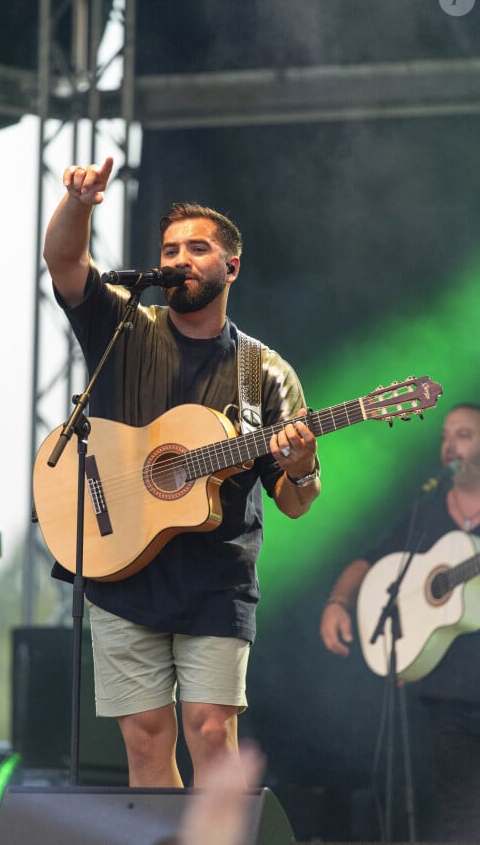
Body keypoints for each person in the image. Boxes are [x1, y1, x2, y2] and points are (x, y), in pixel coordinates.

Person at [43, 157, 320, 788]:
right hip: (119, 562)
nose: (181, 258)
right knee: (144, 742)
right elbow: (64, 263)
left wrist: (300, 468)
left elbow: (297, 502)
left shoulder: (266, 374)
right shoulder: (123, 329)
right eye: (171, 249)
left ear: (231, 267)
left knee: (210, 735)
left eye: (198, 248)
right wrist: (80, 203)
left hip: (215, 581)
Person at [320, 403, 480, 841]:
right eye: (446, 435)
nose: (450, 444)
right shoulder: (427, 513)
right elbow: (372, 563)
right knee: (463, 823)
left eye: (464, 434)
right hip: (446, 700)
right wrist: (338, 602)